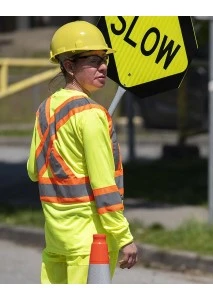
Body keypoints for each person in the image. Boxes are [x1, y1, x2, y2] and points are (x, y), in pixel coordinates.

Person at [27, 20, 138, 284]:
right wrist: (124, 237)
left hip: (56, 238)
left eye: (104, 59)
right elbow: (103, 185)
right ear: (69, 66)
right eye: (93, 60)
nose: (103, 67)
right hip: (91, 241)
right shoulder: (91, 114)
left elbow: (34, 171)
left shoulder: (45, 109)